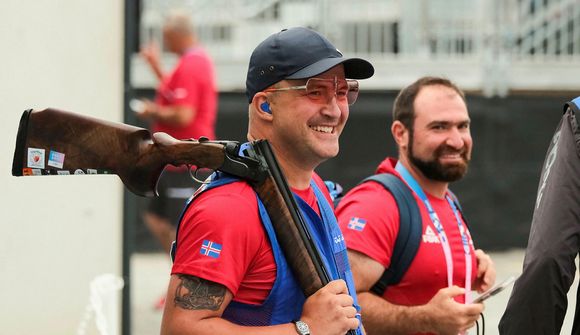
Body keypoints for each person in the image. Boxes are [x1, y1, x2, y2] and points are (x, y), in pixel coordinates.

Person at [159, 27, 374, 335]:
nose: (334, 109)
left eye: (342, 92)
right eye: (315, 91)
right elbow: (180, 331)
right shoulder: (228, 209)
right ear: (265, 106)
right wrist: (305, 329)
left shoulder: (314, 187)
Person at [335, 76, 496, 335]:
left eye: (462, 126)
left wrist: (467, 266)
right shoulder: (376, 204)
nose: (456, 141)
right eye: (439, 127)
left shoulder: (448, 199)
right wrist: (426, 319)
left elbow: (420, 273)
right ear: (401, 133)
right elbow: (337, 308)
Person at [135, 11, 218, 257]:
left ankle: (182, 283)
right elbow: (175, 94)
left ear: (177, 35)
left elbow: (183, 114)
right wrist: (155, 67)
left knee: (179, 229)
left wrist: (152, 110)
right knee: (156, 219)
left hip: (187, 159)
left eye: (167, 38)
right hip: (175, 160)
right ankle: (176, 277)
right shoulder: (191, 61)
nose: (165, 43)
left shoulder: (193, 64)